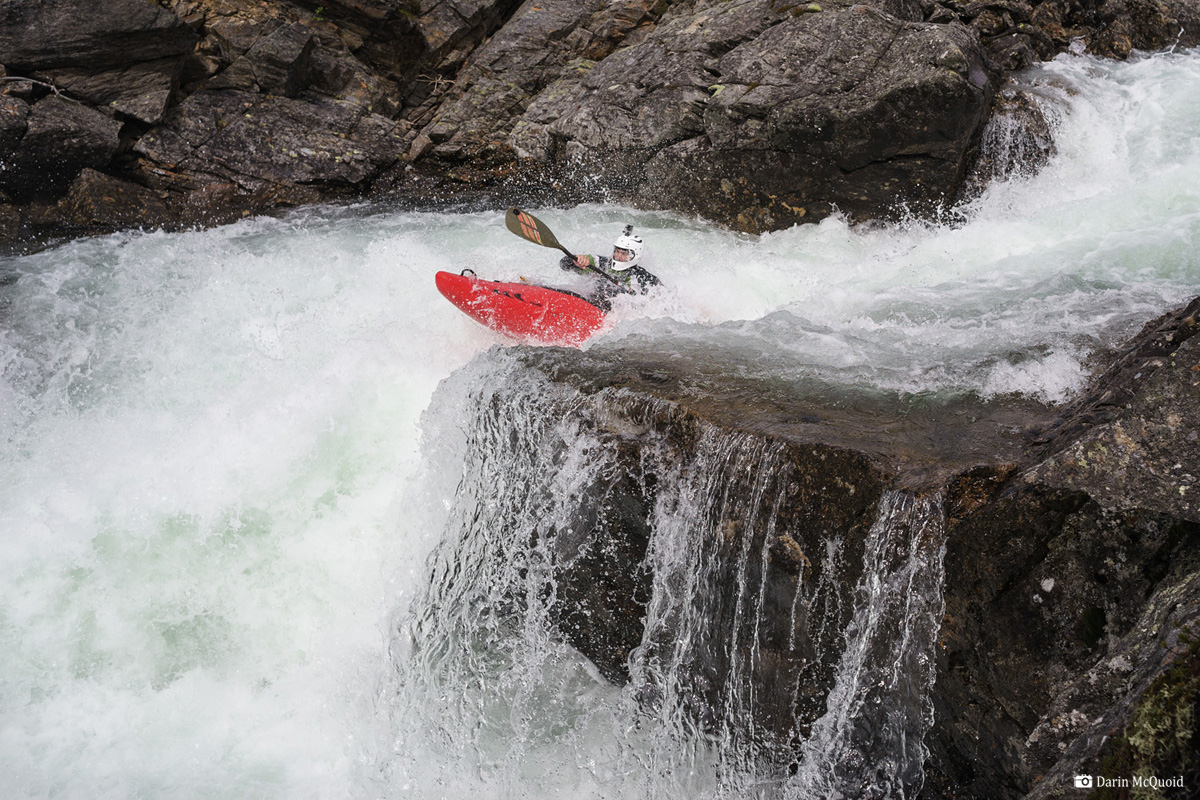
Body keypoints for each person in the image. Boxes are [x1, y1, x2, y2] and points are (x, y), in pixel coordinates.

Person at [559, 224, 660, 311]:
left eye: (623, 253)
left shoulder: (644, 278)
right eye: (616, 251)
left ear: (635, 255)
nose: (618, 257)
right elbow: (564, 264)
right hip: (588, 303)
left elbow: (663, 302)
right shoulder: (603, 263)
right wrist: (576, 260)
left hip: (609, 314)